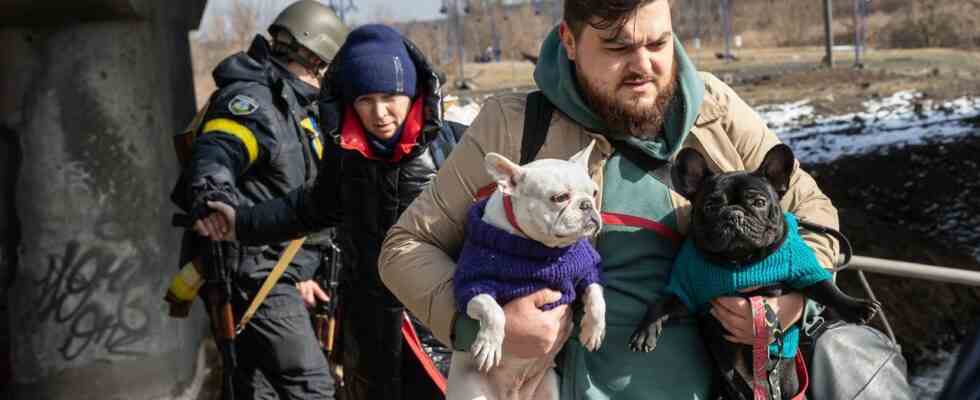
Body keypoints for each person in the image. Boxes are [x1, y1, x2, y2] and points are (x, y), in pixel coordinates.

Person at [376, 0, 845, 398]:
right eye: (619, 47)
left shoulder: (716, 112)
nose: (643, 66)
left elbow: (815, 215)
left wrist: (792, 303)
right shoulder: (512, 125)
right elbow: (404, 249)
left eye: (659, 44)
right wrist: (479, 326)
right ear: (570, 41)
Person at [193, 25, 465, 400]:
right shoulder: (347, 158)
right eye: (365, 99)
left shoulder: (459, 148)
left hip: (443, 341)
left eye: (391, 96)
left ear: (414, 92)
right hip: (370, 345)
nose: (380, 113)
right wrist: (240, 223)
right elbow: (307, 208)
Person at [173, 1, 348, 398]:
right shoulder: (253, 103)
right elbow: (218, 150)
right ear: (312, 57)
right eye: (325, 66)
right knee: (312, 386)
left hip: (284, 270)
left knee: (258, 388)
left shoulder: (298, 105)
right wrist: (212, 195)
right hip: (256, 270)